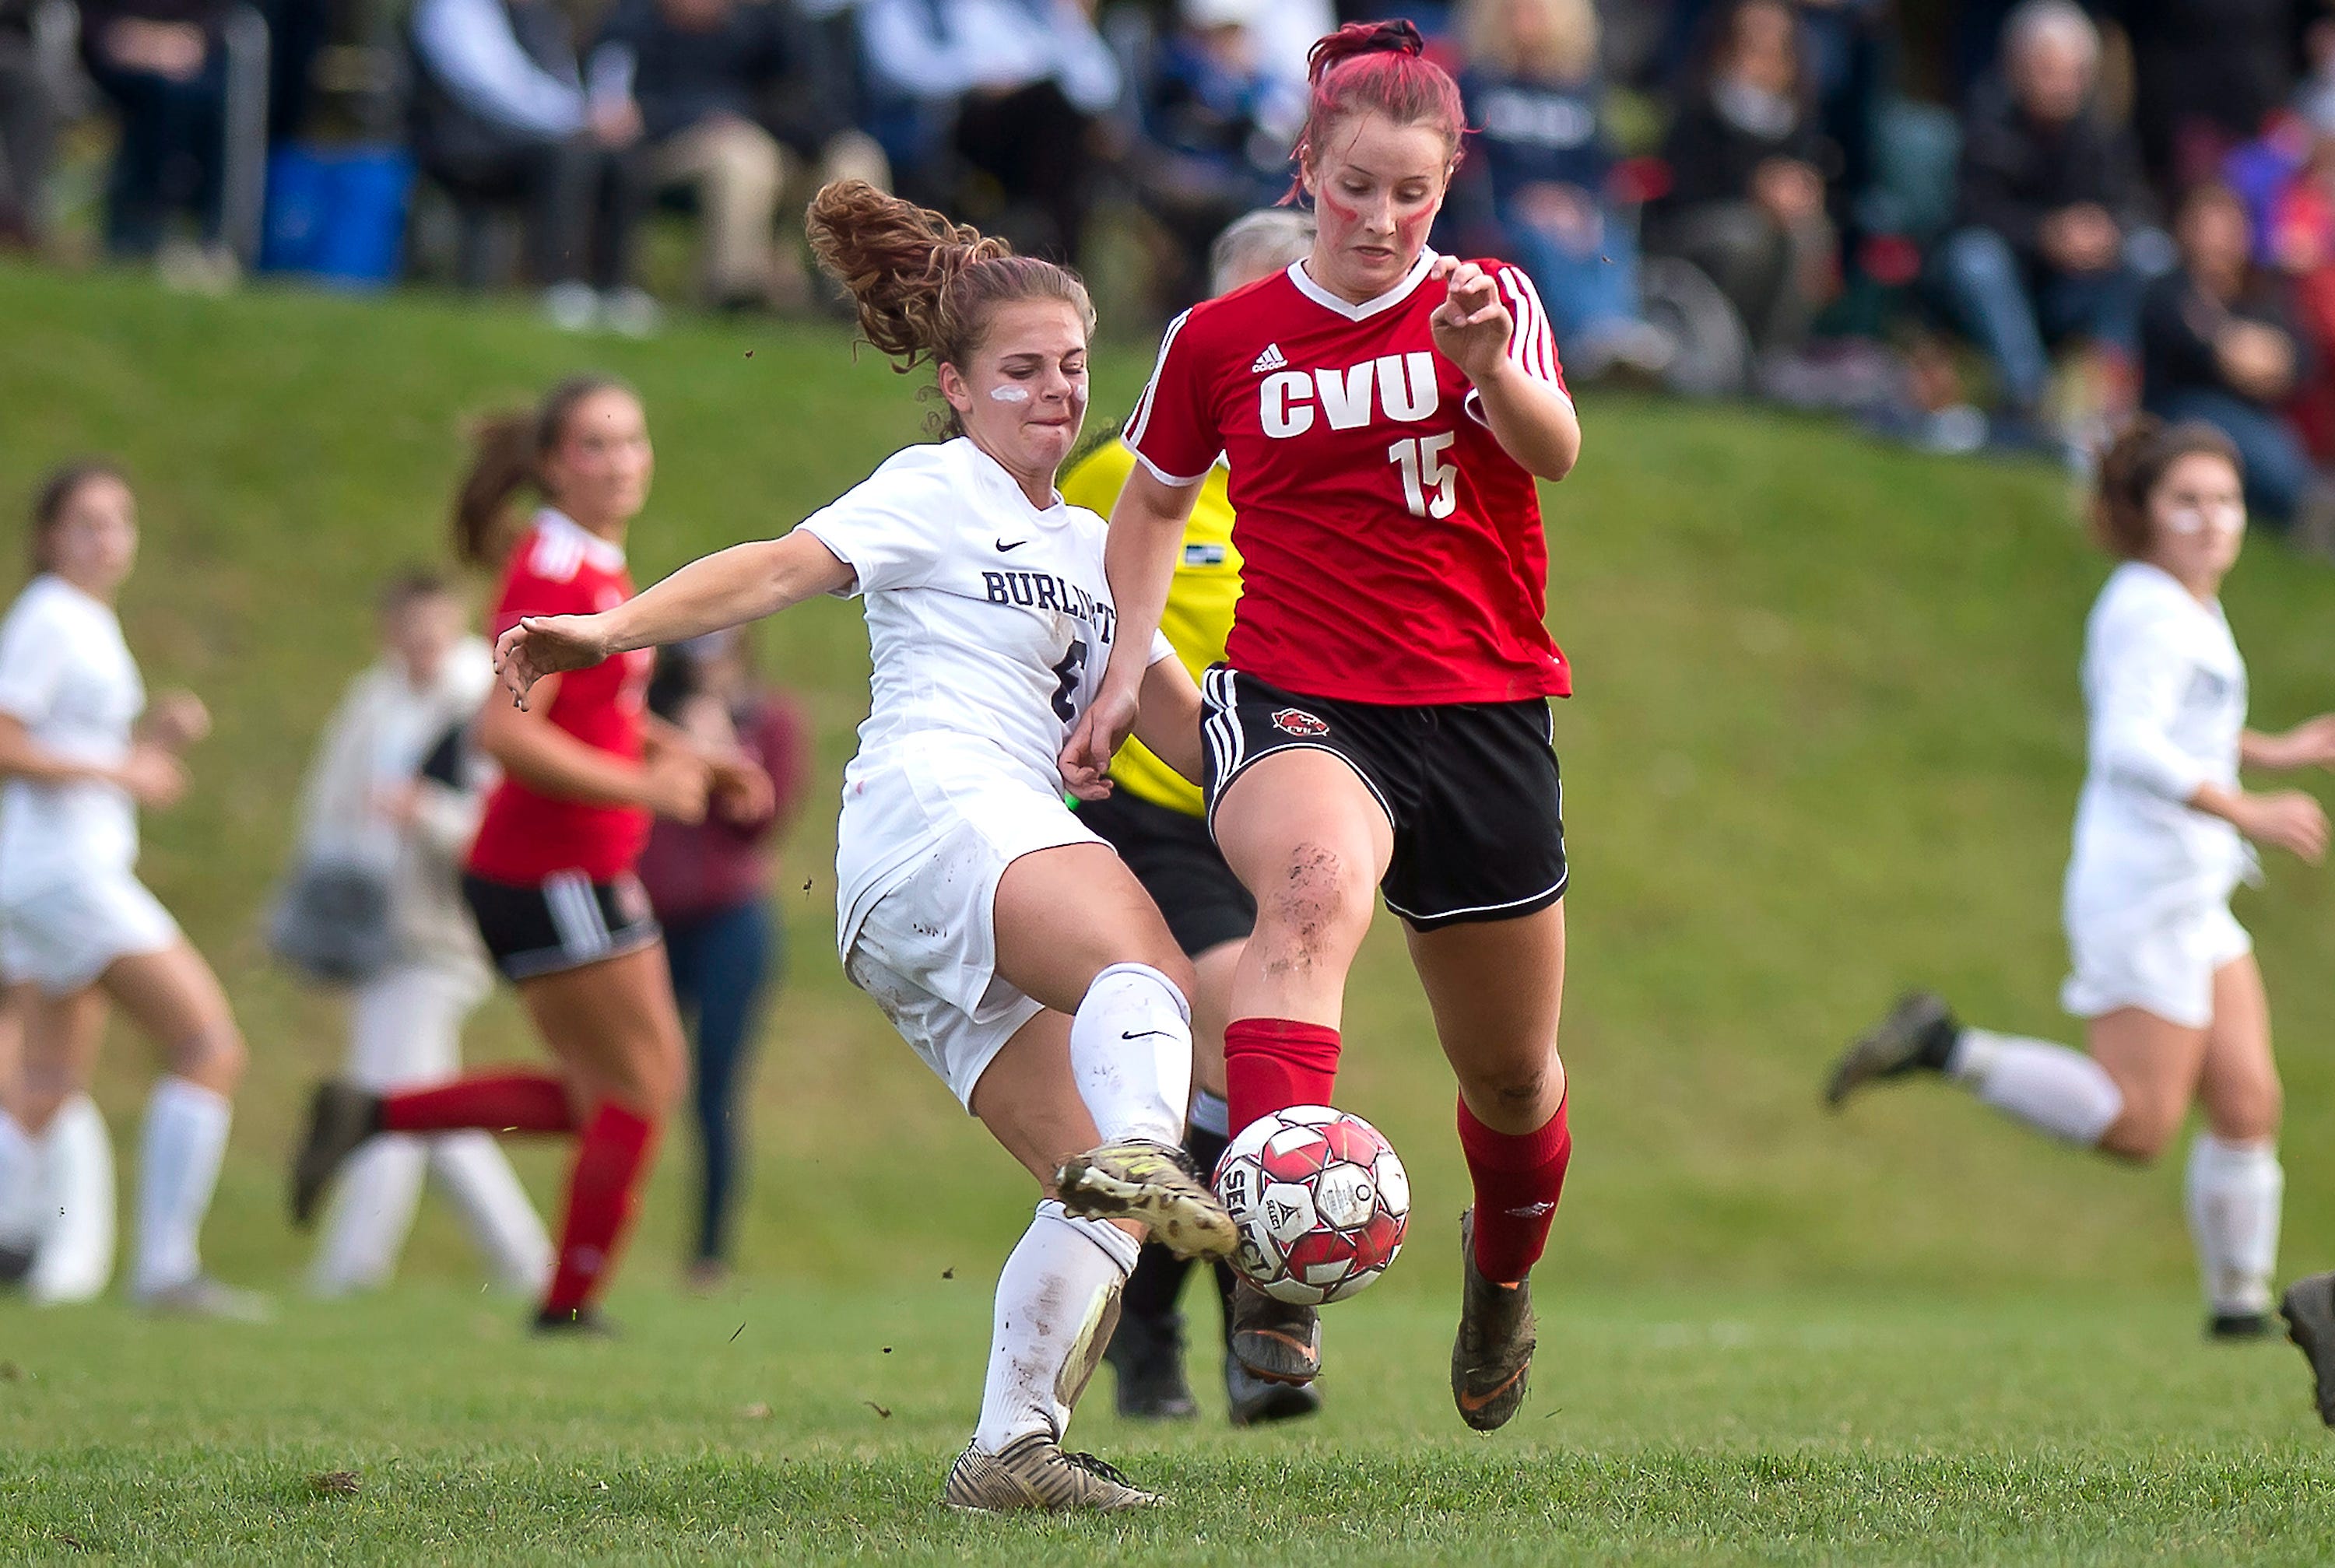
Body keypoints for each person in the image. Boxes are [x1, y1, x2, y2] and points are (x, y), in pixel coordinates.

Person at [491, 179, 1238, 1510]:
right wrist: (608, 635)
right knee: (1147, 970)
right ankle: (1155, 1147)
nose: (1055, 393)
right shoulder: (933, 490)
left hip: (927, 898)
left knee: (1100, 1197)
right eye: (1021, 370)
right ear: (955, 386)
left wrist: (1332, 817)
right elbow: (775, 567)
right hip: (939, 813)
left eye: (1072, 367)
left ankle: (1012, 1452)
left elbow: (1187, 739)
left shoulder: (1092, 545)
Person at [1064, 19, 1582, 1434]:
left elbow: (1555, 450)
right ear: (1308, 169)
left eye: (1410, 192)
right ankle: (1276, 1269)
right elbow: (1154, 502)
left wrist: (1489, 368)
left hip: (1480, 710)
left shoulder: (1490, 301)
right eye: (1355, 186)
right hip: (1303, 695)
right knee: (1308, 899)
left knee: (1513, 1076)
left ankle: (1502, 1282)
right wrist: (1125, 667)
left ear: (1446, 182)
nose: (1380, 217)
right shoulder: (1222, 334)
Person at [1828, 419, 2335, 1341]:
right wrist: (2250, 809)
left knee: (2248, 1102)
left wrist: (2274, 747)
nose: (2213, 520)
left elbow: (2179, 725)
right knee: (2140, 1126)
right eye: (2187, 501)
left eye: (2225, 500)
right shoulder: (2148, 608)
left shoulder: (2186, 603)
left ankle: (2239, 1314)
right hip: (2141, 891)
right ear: (2140, 513)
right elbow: (2129, 744)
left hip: (2194, 886)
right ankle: (1947, 1046)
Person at [291, 377, 771, 1334]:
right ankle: (566, 1306)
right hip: (555, 867)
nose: (622, 460)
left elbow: (605, 715)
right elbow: (504, 736)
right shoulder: (556, 570)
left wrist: (693, 758)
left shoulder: (590, 562)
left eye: (632, 440)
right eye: (596, 445)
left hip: (555, 867)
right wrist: (648, 789)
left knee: (610, 1093)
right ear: (554, 464)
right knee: (644, 1087)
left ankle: (372, 1116)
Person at [1060, 207, 1323, 1429]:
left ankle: (1172, 1320)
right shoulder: (1127, 473)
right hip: (1163, 813)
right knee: (1226, 1040)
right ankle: (1258, 1332)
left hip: (1293, 809)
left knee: (1220, 1094)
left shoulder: (1338, 475)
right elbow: (1061, 622)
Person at [0, 461, 265, 1317]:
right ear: (48, 536)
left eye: (120, 519)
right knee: (208, 1046)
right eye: (86, 521)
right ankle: (165, 1270)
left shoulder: (83, 619)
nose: (107, 537)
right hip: (66, 876)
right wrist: (124, 763)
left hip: (48, 875)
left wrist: (152, 744)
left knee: (42, 1082)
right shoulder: (49, 615)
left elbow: (77, 755)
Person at [293, 571, 552, 1298]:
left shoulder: (481, 698)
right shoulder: (371, 702)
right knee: (427, 1106)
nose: (422, 643)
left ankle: (350, 1269)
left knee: (389, 1098)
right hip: (375, 924)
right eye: (409, 628)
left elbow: (500, 824)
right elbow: (328, 807)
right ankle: (528, 1263)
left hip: (446, 929)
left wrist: (426, 813)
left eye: (434, 627)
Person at [636, 629, 809, 1291]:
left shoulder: (771, 720)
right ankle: (598, 1242)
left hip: (731, 924)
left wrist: (721, 751)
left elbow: (759, 821)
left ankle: (708, 1254)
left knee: (716, 1090)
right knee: (639, 1078)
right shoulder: (648, 718)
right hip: (649, 919)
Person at [1938, 0, 2154, 445]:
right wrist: (2046, 234)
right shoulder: (1985, 123)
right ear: (2016, 67)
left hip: (2073, 288)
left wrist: (2106, 231)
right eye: (2047, 69)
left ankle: (2107, 393)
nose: (2060, 84)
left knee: (2150, 253)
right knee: (1975, 258)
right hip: (2005, 284)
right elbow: (1968, 216)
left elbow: (2137, 205)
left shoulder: (2101, 134)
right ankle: (2029, 397)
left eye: (2072, 72)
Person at [589, 0, 890, 312]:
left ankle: (862, 295)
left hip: (775, 142)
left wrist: (802, 132)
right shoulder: (632, 24)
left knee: (856, 153)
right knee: (743, 155)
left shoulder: (768, 22)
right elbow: (620, 113)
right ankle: (738, 290)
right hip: (671, 149)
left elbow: (812, 96)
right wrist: (710, 116)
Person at [1447, 0, 1674, 381]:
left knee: (1606, 238)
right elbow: (1470, 162)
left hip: (1577, 209)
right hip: (1504, 208)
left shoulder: (1581, 91)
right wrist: (1535, 200)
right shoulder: (1474, 85)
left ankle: (1619, 331)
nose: (1524, 20)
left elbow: (1601, 165)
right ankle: (1590, 341)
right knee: (1543, 238)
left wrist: (1580, 204)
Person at [408, 0, 655, 333]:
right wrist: (581, 118)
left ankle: (613, 288)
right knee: (569, 155)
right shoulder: (455, 7)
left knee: (621, 158)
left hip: (532, 138)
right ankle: (558, 284)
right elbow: (491, 86)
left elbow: (565, 80)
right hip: (466, 144)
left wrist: (600, 115)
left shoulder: (539, 14)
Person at [855, 0, 1120, 261]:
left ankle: (1048, 239)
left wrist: (1070, 23)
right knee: (1055, 109)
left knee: (1067, 117)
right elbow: (901, 71)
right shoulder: (904, 8)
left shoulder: (1023, 9)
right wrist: (981, 77)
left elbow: (1099, 86)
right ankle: (1057, 251)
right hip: (949, 126)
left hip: (1027, 130)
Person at [1647, 0, 1837, 363]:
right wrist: (1757, 192)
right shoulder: (1698, 109)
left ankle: (1776, 359)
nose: (1761, 58)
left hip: (1779, 231)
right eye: (1751, 44)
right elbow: (1683, 192)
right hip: (1697, 232)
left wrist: (1803, 196)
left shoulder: (1800, 124)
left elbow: (1814, 180)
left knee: (1810, 233)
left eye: (1774, 48)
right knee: (1749, 238)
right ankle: (1727, 357)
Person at [2140, 183, 2318, 530]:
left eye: (2227, 225)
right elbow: (2203, 351)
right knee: (2278, 471)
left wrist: (2248, 352)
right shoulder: (2169, 288)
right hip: (2180, 409)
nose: (2216, 238)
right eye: (2206, 224)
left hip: (2256, 419)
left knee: (2286, 462)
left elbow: (2300, 357)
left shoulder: (2260, 294)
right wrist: (2251, 353)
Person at [77, 0, 233, 273]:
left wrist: (186, 42)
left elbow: (217, 19)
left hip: (188, 60)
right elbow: (88, 21)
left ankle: (208, 230)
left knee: (213, 98)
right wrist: (132, 40)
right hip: (112, 59)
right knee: (165, 96)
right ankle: (142, 222)